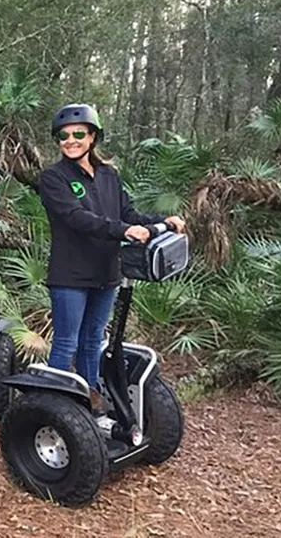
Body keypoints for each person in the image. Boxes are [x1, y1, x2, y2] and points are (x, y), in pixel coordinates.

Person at [39, 103, 186, 411]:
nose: (70, 141)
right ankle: (52, 406)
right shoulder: (53, 178)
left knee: (93, 339)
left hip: (106, 272)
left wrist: (161, 221)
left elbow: (128, 213)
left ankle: (88, 400)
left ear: (92, 137)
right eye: (63, 136)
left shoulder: (108, 175)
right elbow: (77, 218)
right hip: (70, 274)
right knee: (67, 342)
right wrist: (125, 230)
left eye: (78, 134)